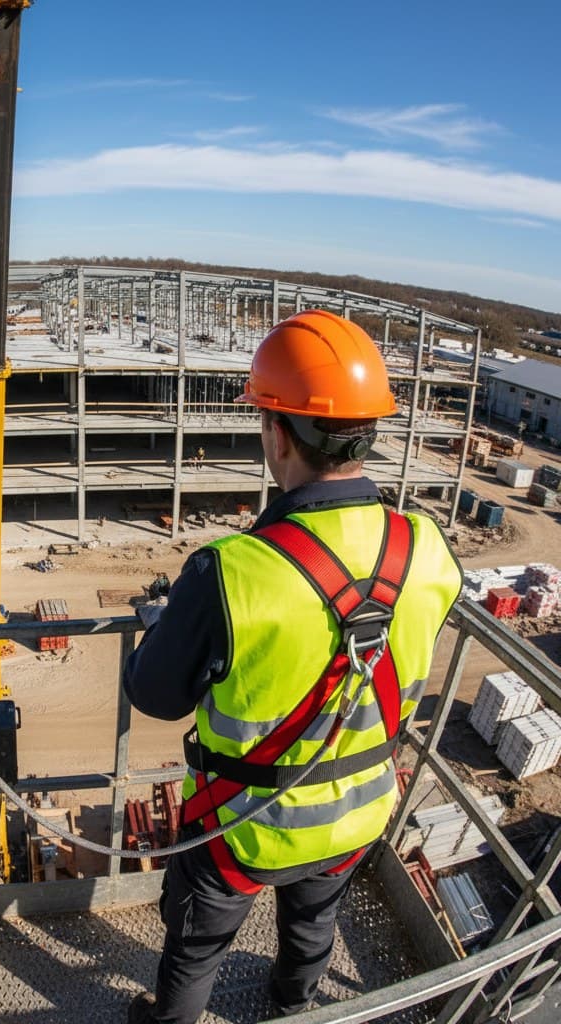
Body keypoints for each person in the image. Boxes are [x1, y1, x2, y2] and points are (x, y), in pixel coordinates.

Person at [124, 310, 462, 1023]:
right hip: (358, 815)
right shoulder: (425, 546)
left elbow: (154, 694)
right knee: (312, 927)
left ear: (277, 433)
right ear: (370, 431)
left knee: (195, 949)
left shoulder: (233, 570)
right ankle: (294, 1009)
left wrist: (178, 623)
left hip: (243, 826)